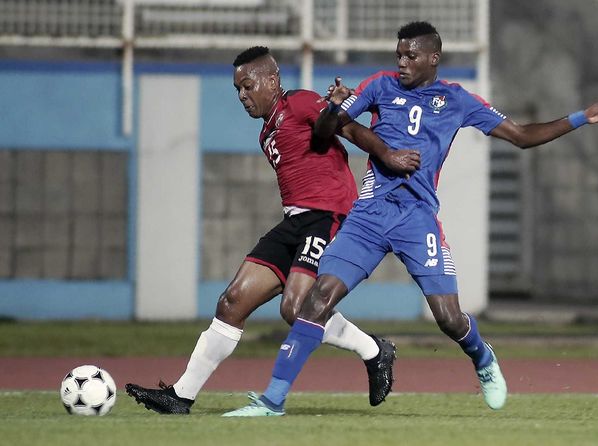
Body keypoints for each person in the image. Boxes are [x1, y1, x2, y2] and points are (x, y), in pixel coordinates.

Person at [223, 21, 598, 417]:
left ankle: (482, 356)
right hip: (368, 217)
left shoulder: (457, 100)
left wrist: (582, 117)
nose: (402, 63)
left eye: (411, 56)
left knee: (448, 318)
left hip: (417, 219)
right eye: (398, 55)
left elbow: (521, 135)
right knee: (317, 301)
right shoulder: (379, 86)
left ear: (434, 58)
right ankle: (272, 400)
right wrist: (337, 107)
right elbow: (332, 129)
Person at [125, 46, 422, 414]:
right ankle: (180, 396)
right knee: (232, 301)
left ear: (272, 79)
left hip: (327, 216)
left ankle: (374, 351)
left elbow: (349, 128)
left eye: (248, 86)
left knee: (296, 307)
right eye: (237, 90)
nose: (242, 96)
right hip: (294, 221)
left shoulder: (300, 103)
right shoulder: (267, 130)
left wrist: (389, 155)